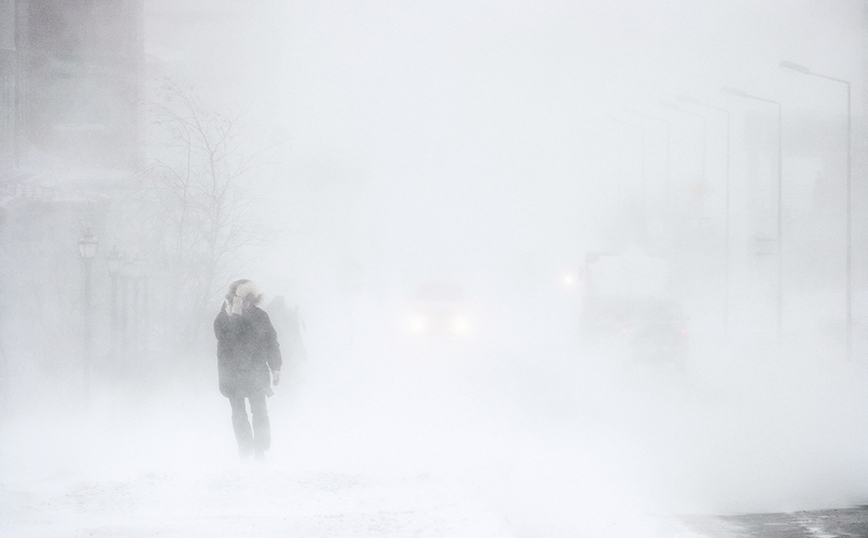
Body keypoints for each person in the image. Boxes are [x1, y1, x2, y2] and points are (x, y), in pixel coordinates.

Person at [214, 279, 282, 460]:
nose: (245, 304)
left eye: (248, 300)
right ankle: (245, 448)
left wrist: (276, 366)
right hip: (232, 373)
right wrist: (234, 316)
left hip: (256, 371)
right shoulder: (223, 318)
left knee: (259, 412)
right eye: (241, 300)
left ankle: (260, 450)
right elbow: (227, 340)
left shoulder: (260, 316)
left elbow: (271, 342)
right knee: (238, 414)